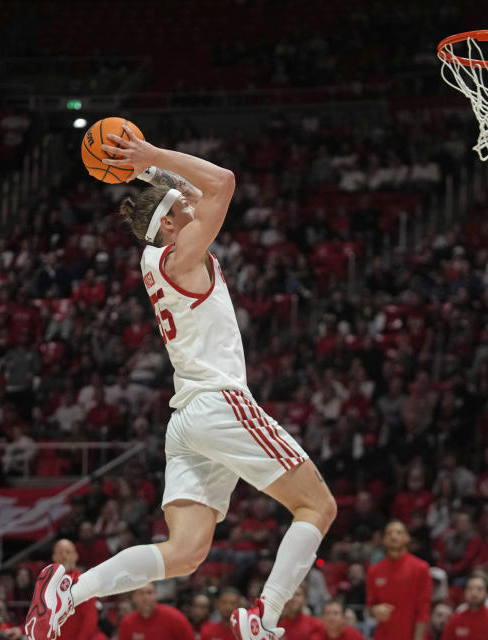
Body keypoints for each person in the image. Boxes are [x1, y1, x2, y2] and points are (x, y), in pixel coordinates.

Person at [25, 126, 336, 640]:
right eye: (182, 209)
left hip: (187, 422)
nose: (194, 206)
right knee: (318, 505)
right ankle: (265, 617)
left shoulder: (157, 258)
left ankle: (69, 592)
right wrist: (149, 155)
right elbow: (222, 183)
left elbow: (190, 192)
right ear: (168, 222)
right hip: (220, 404)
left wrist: (143, 168)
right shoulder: (183, 257)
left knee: (186, 554)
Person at [6, 539, 102, 640]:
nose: (64, 556)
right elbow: (39, 614)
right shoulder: (47, 582)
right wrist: (21, 630)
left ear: (75, 556)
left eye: (68, 552)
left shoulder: (83, 581)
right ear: (54, 557)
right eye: (60, 552)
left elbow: (89, 621)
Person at [366, 521, 432, 640]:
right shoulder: (374, 570)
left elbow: (424, 609)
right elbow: (370, 606)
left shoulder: (421, 568)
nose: (393, 536)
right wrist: (373, 610)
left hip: (411, 635)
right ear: (384, 540)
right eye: (389, 533)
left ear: (407, 538)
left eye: (398, 532)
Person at [440, 572, 488, 640]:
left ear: (487, 593)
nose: (474, 593)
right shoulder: (455, 619)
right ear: (464, 592)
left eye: (479, 589)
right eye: (470, 589)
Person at [117, 583, 194, 640]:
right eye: (141, 593)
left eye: (149, 592)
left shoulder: (175, 617)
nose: (145, 597)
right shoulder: (127, 623)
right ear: (133, 597)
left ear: (156, 595)